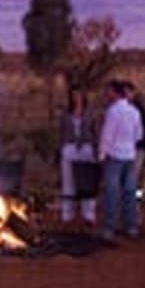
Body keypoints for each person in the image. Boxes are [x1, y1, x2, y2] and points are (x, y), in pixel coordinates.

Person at [97, 79, 144, 239]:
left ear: (116, 93)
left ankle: (109, 227)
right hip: (129, 155)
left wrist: (102, 153)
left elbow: (107, 135)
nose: (107, 94)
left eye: (109, 91)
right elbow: (139, 135)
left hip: (114, 155)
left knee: (111, 191)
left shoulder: (113, 112)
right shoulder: (135, 112)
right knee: (130, 192)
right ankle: (131, 226)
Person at [57, 87, 98, 224]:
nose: (76, 98)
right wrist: (62, 147)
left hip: (86, 147)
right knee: (68, 180)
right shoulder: (66, 115)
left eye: (79, 95)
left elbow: (95, 132)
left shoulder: (90, 114)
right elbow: (61, 132)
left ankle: (88, 214)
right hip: (70, 147)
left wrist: (95, 148)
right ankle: (67, 213)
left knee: (87, 181)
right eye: (74, 95)